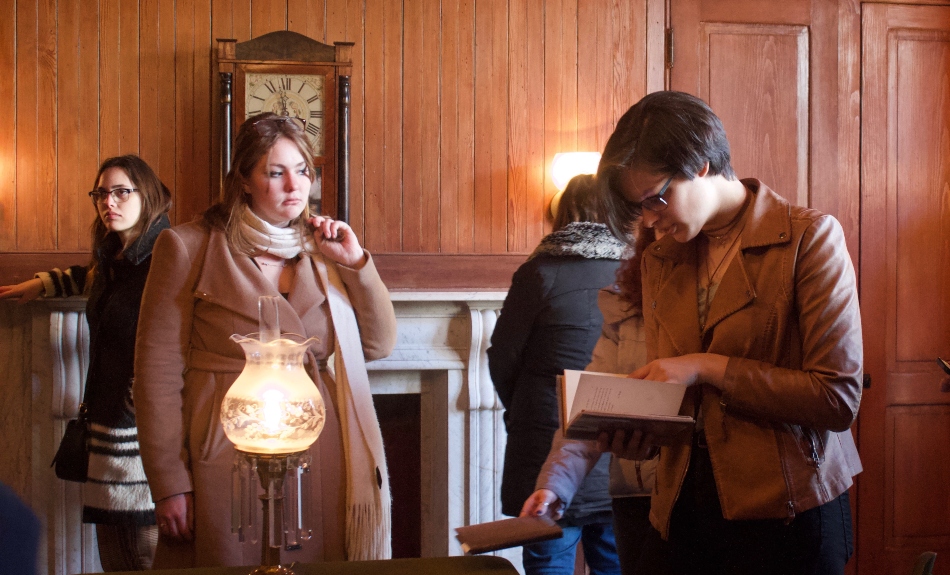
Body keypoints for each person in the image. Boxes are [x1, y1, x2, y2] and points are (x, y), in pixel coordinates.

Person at [597, 91, 863, 575]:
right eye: (640, 208)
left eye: (657, 198)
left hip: (786, 513)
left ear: (699, 163)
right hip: (681, 509)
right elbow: (682, 398)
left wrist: (706, 367)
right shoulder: (663, 258)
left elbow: (837, 398)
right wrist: (640, 432)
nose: (650, 220)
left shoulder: (809, 237)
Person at [132, 112, 397, 569]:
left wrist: (357, 264)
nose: (295, 185)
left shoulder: (325, 251)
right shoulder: (188, 246)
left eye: (302, 170)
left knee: (308, 561)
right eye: (275, 172)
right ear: (245, 180)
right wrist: (170, 482)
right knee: (229, 559)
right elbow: (156, 374)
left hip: (315, 447)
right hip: (221, 443)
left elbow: (378, 345)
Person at [0, 155, 172, 571]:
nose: (108, 202)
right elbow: (91, 277)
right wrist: (42, 283)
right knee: (113, 551)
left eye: (120, 192)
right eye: (101, 193)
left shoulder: (166, 257)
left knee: (145, 551)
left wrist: (139, 401)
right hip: (105, 424)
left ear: (145, 195)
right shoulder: (115, 260)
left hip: (140, 432)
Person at [488, 174, 626, 575]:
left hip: (544, 438)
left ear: (563, 213)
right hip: (613, 436)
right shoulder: (634, 271)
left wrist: (523, 408)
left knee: (549, 558)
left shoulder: (539, 273)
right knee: (616, 561)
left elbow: (503, 357)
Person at [521, 227, 658, 575]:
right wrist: (553, 487)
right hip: (636, 500)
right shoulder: (626, 308)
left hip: (701, 507)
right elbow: (589, 412)